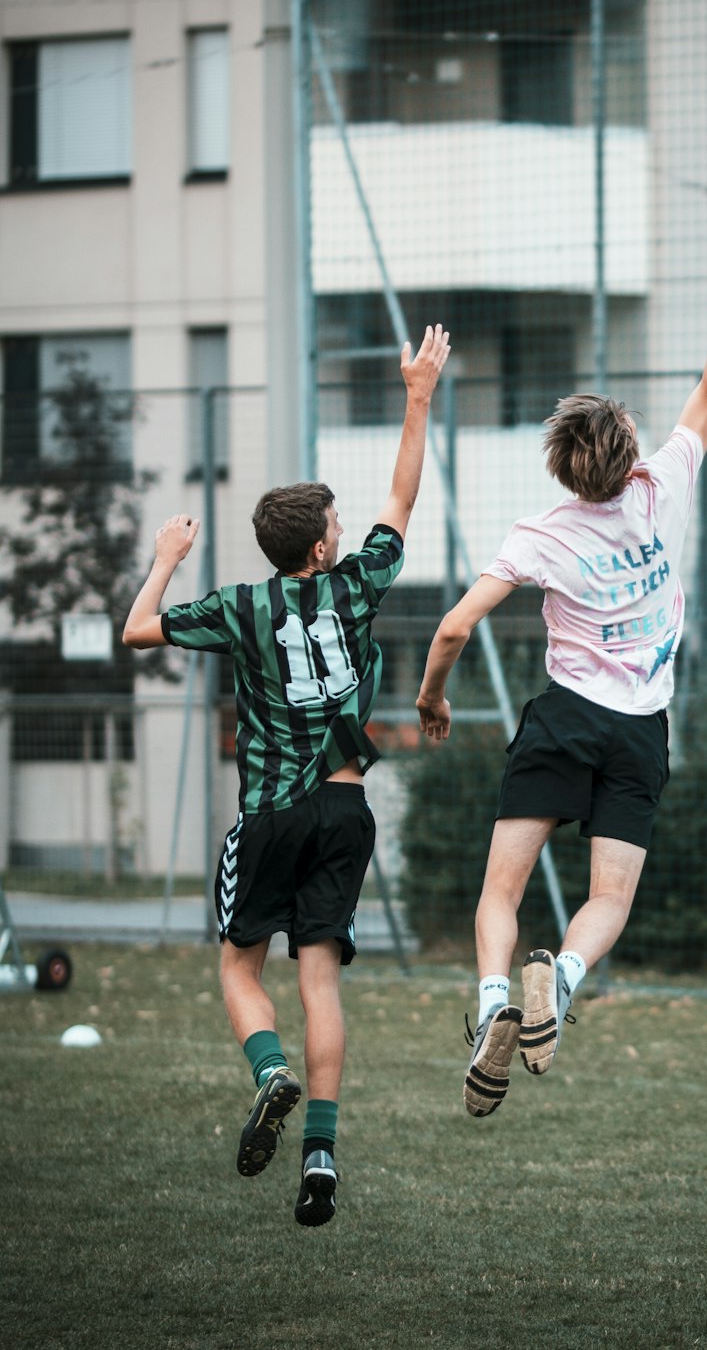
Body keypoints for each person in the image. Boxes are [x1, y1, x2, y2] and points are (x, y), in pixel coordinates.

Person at [415, 212, 707, 1116]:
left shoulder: (539, 534)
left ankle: (495, 1005)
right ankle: (565, 978)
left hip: (563, 717)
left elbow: (455, 629)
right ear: (628, 456)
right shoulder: (666, 487)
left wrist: (433, 696)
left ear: (562, 468)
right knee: (610, 896)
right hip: (639, 727)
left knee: (500, 888)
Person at [123, 323, 450, 1223]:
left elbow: (138, 632)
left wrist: (164, 562)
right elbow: (403, 497)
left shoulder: (240, 605)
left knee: (237, 971)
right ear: (318, 550)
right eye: (336, 526)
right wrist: (417, 395)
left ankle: (270, 1075)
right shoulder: (356, 586)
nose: (348, 532)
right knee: (321, 982)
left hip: (268, 814)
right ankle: (321, 1159)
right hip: (345, 813)